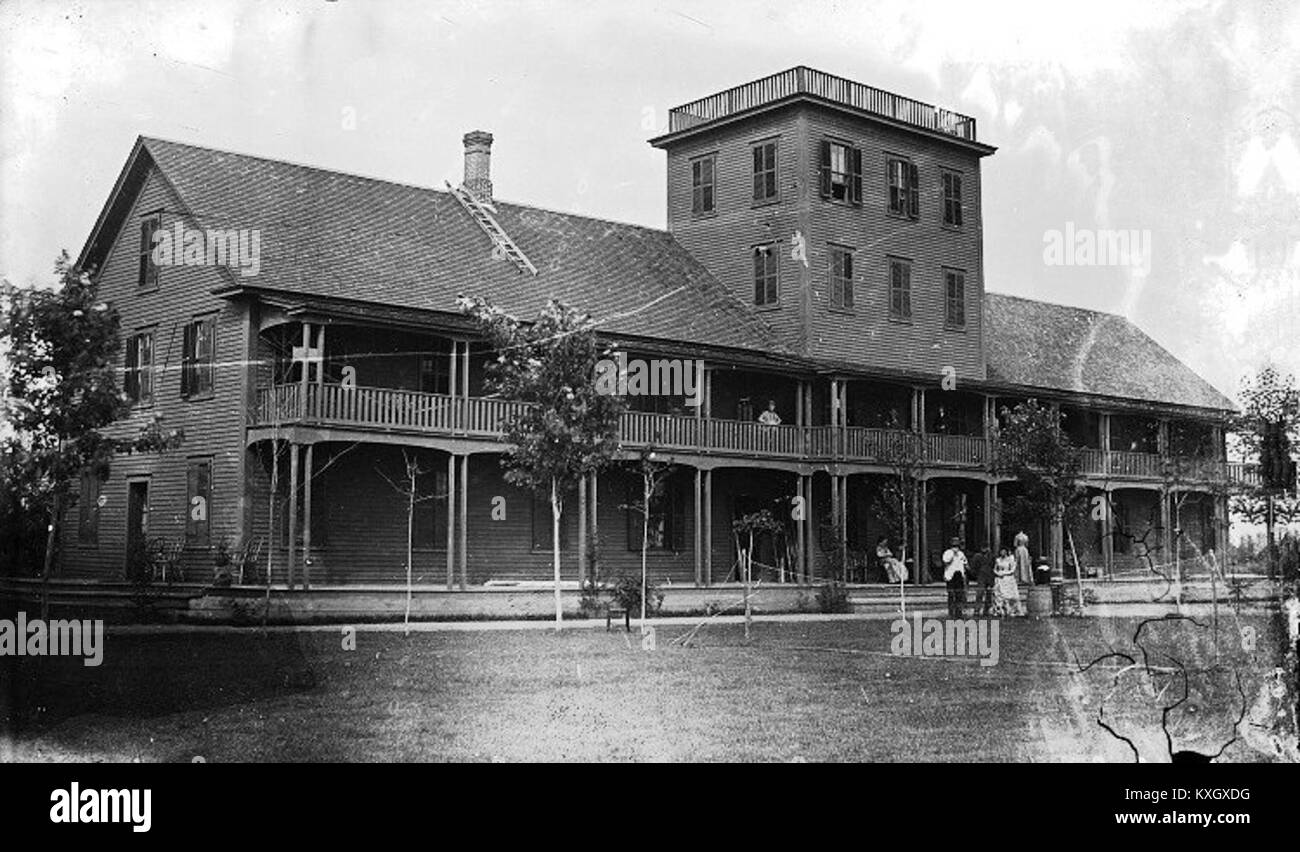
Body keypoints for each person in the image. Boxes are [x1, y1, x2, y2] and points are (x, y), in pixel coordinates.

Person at [941, 536, 968, 618]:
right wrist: (953, 554)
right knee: (951, 594)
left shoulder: (961, 554)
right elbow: (946, 561)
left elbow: (965, 563)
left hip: (959, 575)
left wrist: (965, 574)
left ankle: (958, 612)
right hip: (951, 575)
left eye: (957, 546)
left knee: (959, 594)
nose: (955, 548)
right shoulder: (947, 553)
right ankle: (951, 612)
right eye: (954, 546)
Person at [994, 546, 1025, 616]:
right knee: (1000, 595)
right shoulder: (998, 560)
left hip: (1008, 578)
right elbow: (995, 569)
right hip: (1000, 579)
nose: (1002, 553)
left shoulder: (1010, 559)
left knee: (1011, 596)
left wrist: (1005, 573)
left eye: (1004, 551)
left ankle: (1012, 610)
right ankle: (1000, 610)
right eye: (1001, 551)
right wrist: (998, 573)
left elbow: (1012, 569)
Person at [970, 544, 994, 616]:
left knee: (989, 594)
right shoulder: (977, 556)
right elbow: (973, 567)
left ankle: (986, 610)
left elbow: (994, 565)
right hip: (981, 577)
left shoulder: (991, 556)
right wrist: (976, 575)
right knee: (980, 593)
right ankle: (977, 610)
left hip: (990, 576)